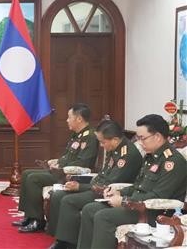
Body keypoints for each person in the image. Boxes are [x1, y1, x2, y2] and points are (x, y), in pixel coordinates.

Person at [77, 114, 187, 249]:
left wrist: (124, 200)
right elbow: (137, 186)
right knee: (90, 209)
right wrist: (118, 191)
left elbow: (158, 197)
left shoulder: (173, 162)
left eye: (142, 138)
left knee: (103, 216)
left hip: (153, 213)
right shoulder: (151, 157)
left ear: (157, 137)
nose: (139, 142)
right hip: (136, 204)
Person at [46, 119, 143, 249]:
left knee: (69, 201)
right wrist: (81, 182)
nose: (101, 146)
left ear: (114, 139)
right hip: (97, 187)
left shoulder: (128, 155)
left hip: (107, 192)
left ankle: (67, 243)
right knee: (60, 194)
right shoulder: (115, 149)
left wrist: (81, 186)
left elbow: (111, 183)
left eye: (103, 142)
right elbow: (103, 174)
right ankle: (63, 239)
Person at [15, 103, 99, 233]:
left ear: (79, 119)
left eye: (69, 117)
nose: (67, 120)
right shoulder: (77, 135)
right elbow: (68, 156)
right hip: (60, 170)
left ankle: (38, 221)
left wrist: (61, 166)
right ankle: (29, 216)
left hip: (68, 175)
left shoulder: (90, 137)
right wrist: (56, 161)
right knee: (26, 173)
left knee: (33, 179)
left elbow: (84, 163)